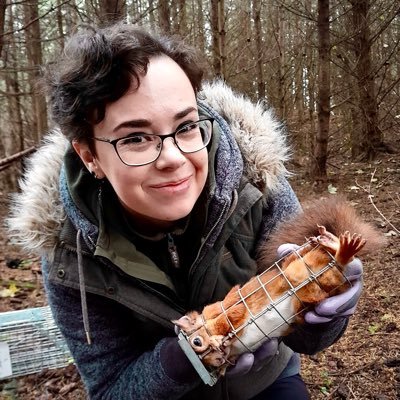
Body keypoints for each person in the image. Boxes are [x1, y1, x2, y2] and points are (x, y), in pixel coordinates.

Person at [7, 22, 363, 400]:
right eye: (136, 138)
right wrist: (186, 359)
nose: (175, 159)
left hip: (266, 382)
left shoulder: (259, 186)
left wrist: (327, 303)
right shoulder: (69, 252)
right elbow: (111, 388)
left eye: (186, 126)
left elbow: (309, 338)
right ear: (90, 155)